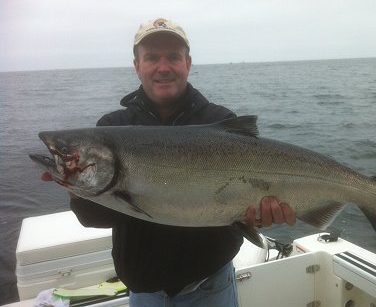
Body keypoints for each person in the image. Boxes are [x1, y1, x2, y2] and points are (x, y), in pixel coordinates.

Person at [42, 18, 296, 306]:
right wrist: (77, 189)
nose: (163, 67)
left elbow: (234, 208)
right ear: (137, 65)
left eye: (173, 57)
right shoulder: (112, 127)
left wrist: (259, 216)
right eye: (151, 57)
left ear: (187, 62)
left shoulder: (219, 122)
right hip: (144, 293)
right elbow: (96, 218)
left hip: (210, 288)